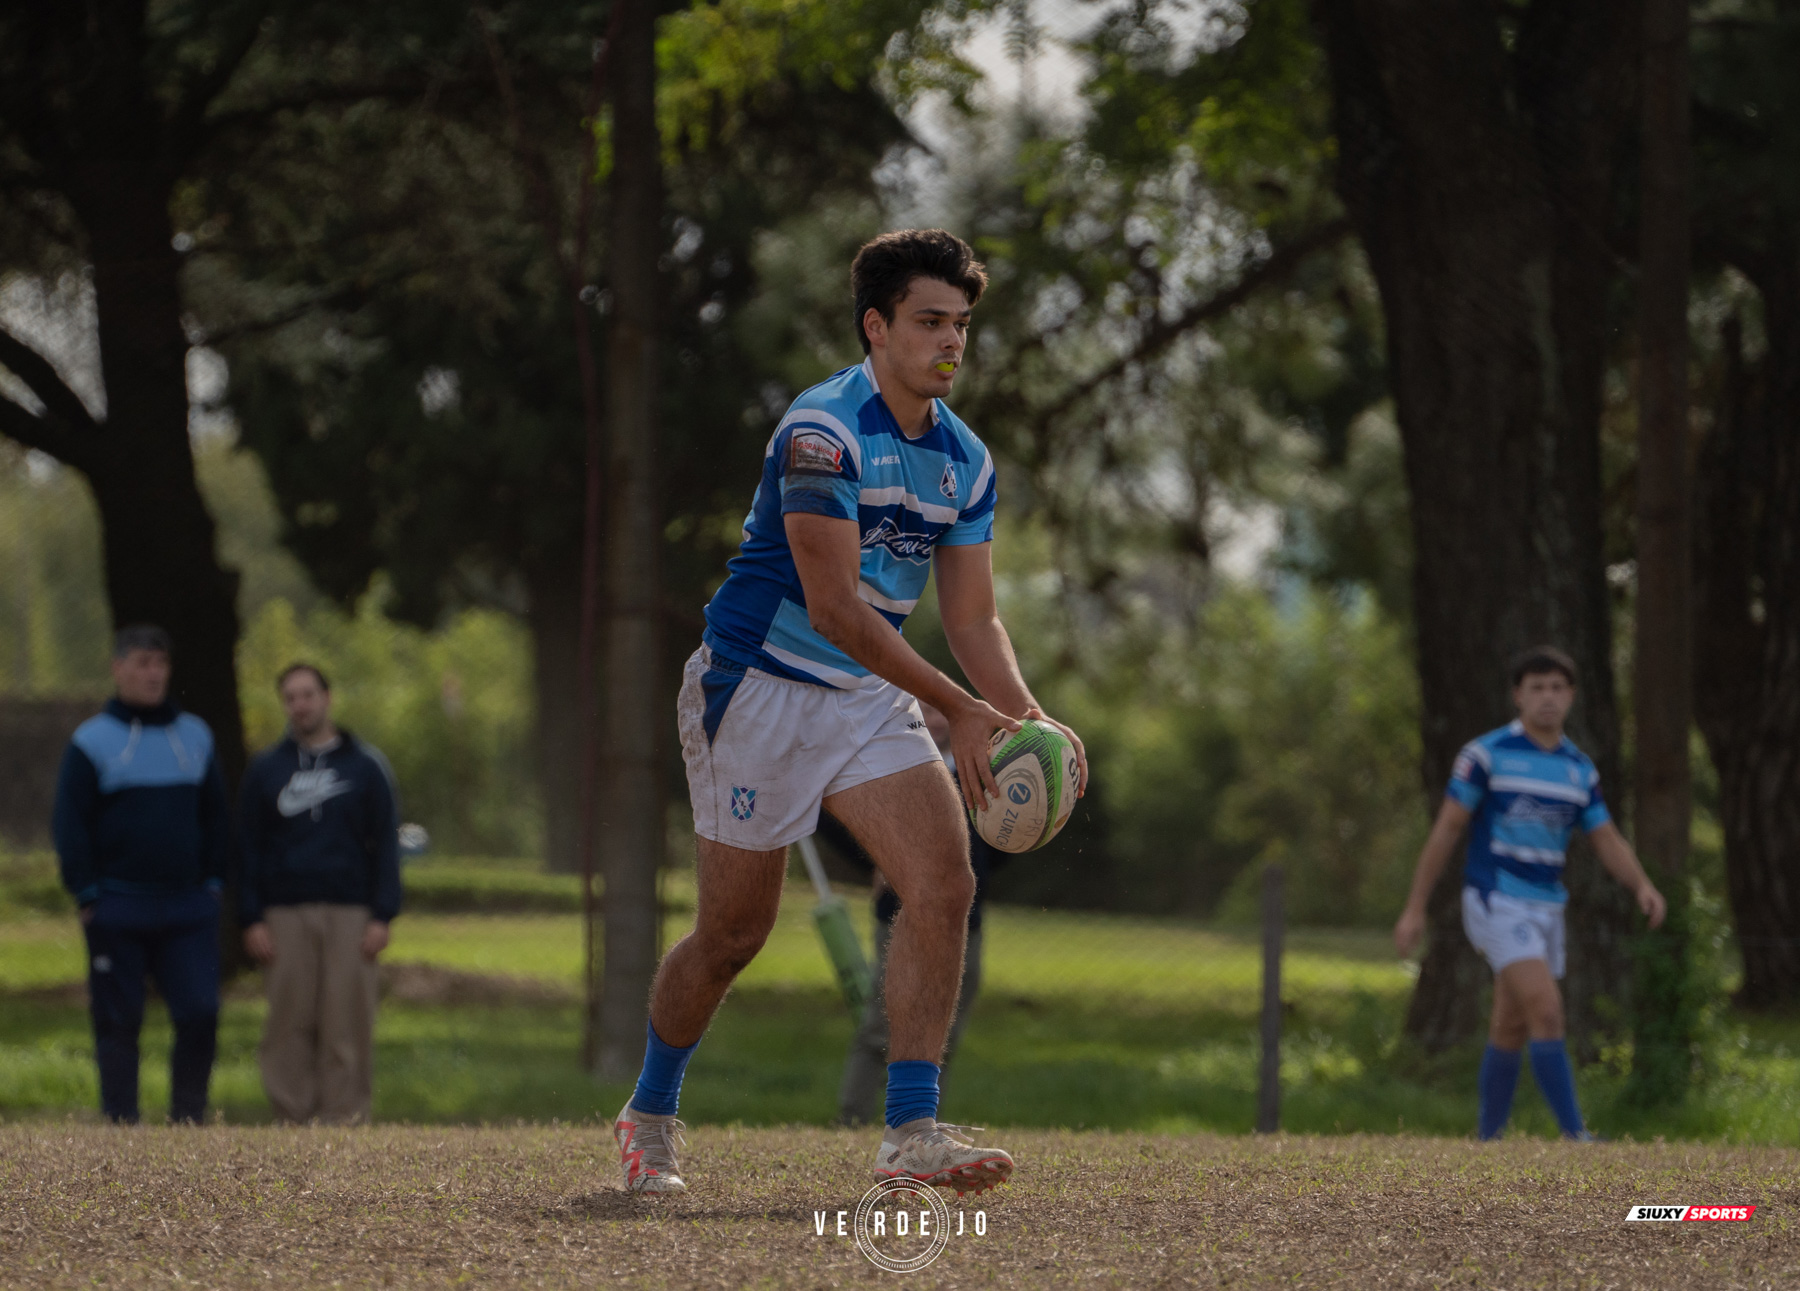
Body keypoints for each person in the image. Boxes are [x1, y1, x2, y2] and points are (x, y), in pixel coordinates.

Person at [614, 228, 1086, 1196]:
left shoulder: (965, 460)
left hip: (868, 694)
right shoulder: (821, 431)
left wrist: (1027, 717)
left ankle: (910, 1136)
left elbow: (973, 615)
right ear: (876, 327)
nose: (950, 341)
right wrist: (958, 709)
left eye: (960, 324)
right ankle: (649, 1112)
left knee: (944, 883)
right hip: (756, 690)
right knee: (732, 936)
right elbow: (833, 607)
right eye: (928, 322)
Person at [1393, 646, 1668, 1140]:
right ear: (1517, 695)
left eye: (1557, 687)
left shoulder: (1579, 769)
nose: (1547, 697)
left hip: (1547, 904)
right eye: (1537, 687)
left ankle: (1488, 1139)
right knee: (1546, 1009)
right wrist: (1415, 908)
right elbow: (1447, 829)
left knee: (1511, 1026)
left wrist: (1641, 884)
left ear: (1572, 697)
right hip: (1496, 897)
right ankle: (1575, 1135)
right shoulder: (1486, 755)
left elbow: (1604, 836)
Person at [52, 624, 230, 1124]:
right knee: (118, 1018)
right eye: (142, 663)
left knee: (199, 1012)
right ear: (119, 668)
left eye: (161, 664)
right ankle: (121, 1121)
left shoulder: (195, 736)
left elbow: (216, 816)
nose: (153, 674)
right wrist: (88, 893)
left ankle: (189, 1119)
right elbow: (70, 824)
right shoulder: (92, 741)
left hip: (187, 906)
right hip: (117, 904)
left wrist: (213, 882)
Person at [237, 663, 402, 1125]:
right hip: (284, 912)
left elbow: (385, 844)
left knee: (345, 1019)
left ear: (327, 698)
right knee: (288, 1019)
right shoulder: (267, 771)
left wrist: (382, 914)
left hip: (350, 910)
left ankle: (343, 1119)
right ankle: (291, 1115)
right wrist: (251, 917)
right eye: (291, 697)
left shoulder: (365, 767)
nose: (300, 705)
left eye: (308, 694)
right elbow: (248, 847)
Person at [834, 701, 1007, 1126]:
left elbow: (998, 842)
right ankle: (851, 1120)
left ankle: (922, 1124)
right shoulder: (893, 768)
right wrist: (878, 859)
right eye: (925, 710)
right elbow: (834, 818)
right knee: (880, 1025)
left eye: (941, 711)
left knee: (942, 1027)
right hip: (900, 916)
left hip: (968, 921)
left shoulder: (978, 772)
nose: (934, 719)